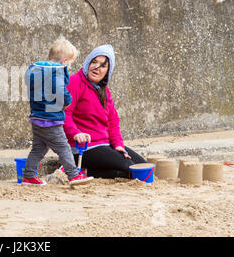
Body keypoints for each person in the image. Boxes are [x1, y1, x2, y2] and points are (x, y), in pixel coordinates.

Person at [63, 44, 146, 179]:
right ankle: (81, 171)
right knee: (128, 168)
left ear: (108, 71)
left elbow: (113, 121)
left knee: (142, 166)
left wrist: (118, 145)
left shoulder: (104, 90)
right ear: (88, 63)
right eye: (94, 62)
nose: (97, 68)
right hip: (82, 148)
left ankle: (90, 169)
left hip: (104, 144)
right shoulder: (75, 81)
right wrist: (75, 133)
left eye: (103, 66)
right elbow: (65, 114)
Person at [23, 38, 94, 186]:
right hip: (51, 120)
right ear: (64, 61)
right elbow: (60, 90)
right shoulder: (57, 72)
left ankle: (29, 175)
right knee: (64, 148)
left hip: (37, 118)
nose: (69, 68)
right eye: (70, 65)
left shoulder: (37, 71)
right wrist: (67, 102)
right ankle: (73, 175)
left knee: (38, 149)